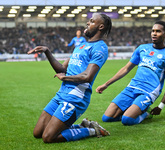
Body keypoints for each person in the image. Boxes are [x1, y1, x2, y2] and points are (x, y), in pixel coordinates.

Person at [27, 13, 112, 143]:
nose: (88, 23)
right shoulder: (80, 46)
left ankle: (93, 130)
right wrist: (47, 52)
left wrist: (66, 78)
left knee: (48, 137)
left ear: (100, 27)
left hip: (76, 97)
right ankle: (82, 126)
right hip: (61, 94)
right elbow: (62, 69)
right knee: (38, 133)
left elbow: (87, 76)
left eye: (92, 21)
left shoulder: (100, 48)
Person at [96, 21, 165, 126]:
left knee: (127, 120)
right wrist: (106, 84)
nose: (154, 33)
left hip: (148, 92)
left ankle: (146, 113)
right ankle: (133, 111)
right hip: (132, 87)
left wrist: (161, 106)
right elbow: (126, 69)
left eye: (158, 31)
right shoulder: (142, 48)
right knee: (107, 118)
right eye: (153, 31)